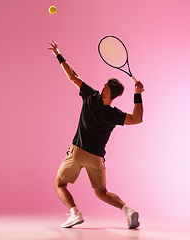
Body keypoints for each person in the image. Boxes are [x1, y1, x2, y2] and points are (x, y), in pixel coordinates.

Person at [47, 40, 144, 229]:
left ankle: (74, 213)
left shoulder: (91, 97)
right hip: (97, 158)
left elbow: (73, 76)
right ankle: (128, 210)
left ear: (106, 90)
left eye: (105, 85)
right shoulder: (115, 114)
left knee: (60, 184)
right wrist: (138, 93)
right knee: (101, 192)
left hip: (78, 152)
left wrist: (58, 54)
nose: (102, 86)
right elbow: (137, 118)